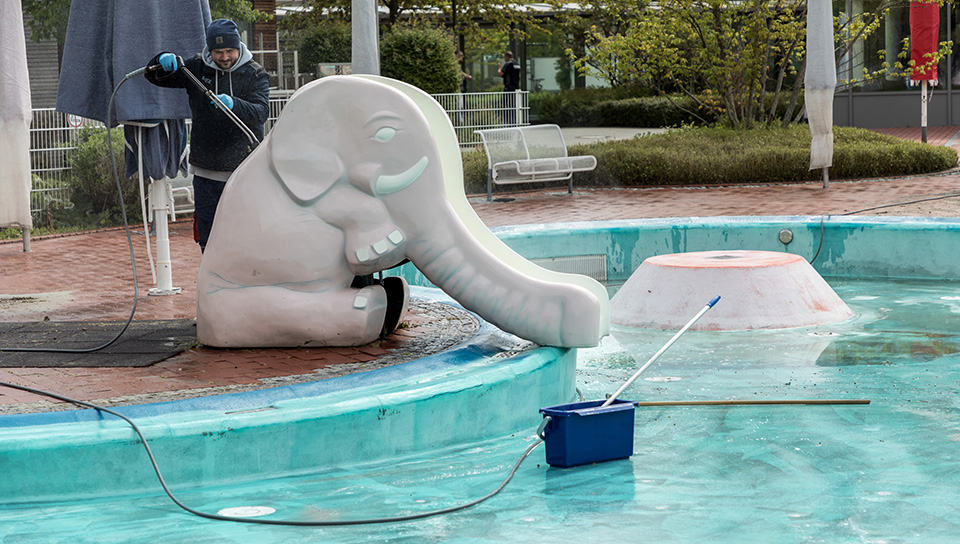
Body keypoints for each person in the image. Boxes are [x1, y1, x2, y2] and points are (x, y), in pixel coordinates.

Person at [145, 19, 269, 252]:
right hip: (206, 172)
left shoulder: (255, 73)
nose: (224, 57)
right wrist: (160, 60)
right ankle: (213, 282)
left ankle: (246, 283)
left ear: (238, 47)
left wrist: (235, 104)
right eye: (218, 52)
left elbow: (262, 112)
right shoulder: (196, 68)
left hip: (244, 171)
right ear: (210, 50)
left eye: (229, 51)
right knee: (209, 236)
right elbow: (153, 76)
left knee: (247, 234)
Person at [497, 51, 521, 124]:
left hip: (508, 88)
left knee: (506, 105)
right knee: (514, 105)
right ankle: (514, 121)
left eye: (505, 57)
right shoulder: (517, 64)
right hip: (516, 88)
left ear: (507, 57)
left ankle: (507, 121)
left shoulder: (508, 64)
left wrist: (499, 67)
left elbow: (500, 74)